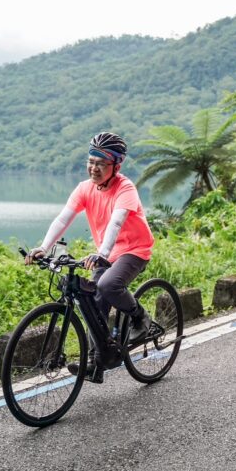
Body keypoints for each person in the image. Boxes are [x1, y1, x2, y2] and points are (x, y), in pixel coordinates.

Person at [26, 132, 155, 383]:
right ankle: (97, 363)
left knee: (108, 285)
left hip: (134, 250)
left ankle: (140, 317)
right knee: (93, 302)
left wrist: (101, 254)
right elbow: (64, 218)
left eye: (101, 163)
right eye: (91, 161)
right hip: (106, 253)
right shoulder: (85, 188)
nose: (94, 168)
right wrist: (43, 247)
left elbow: (116, 222)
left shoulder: (125, 188)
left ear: (116, 166)